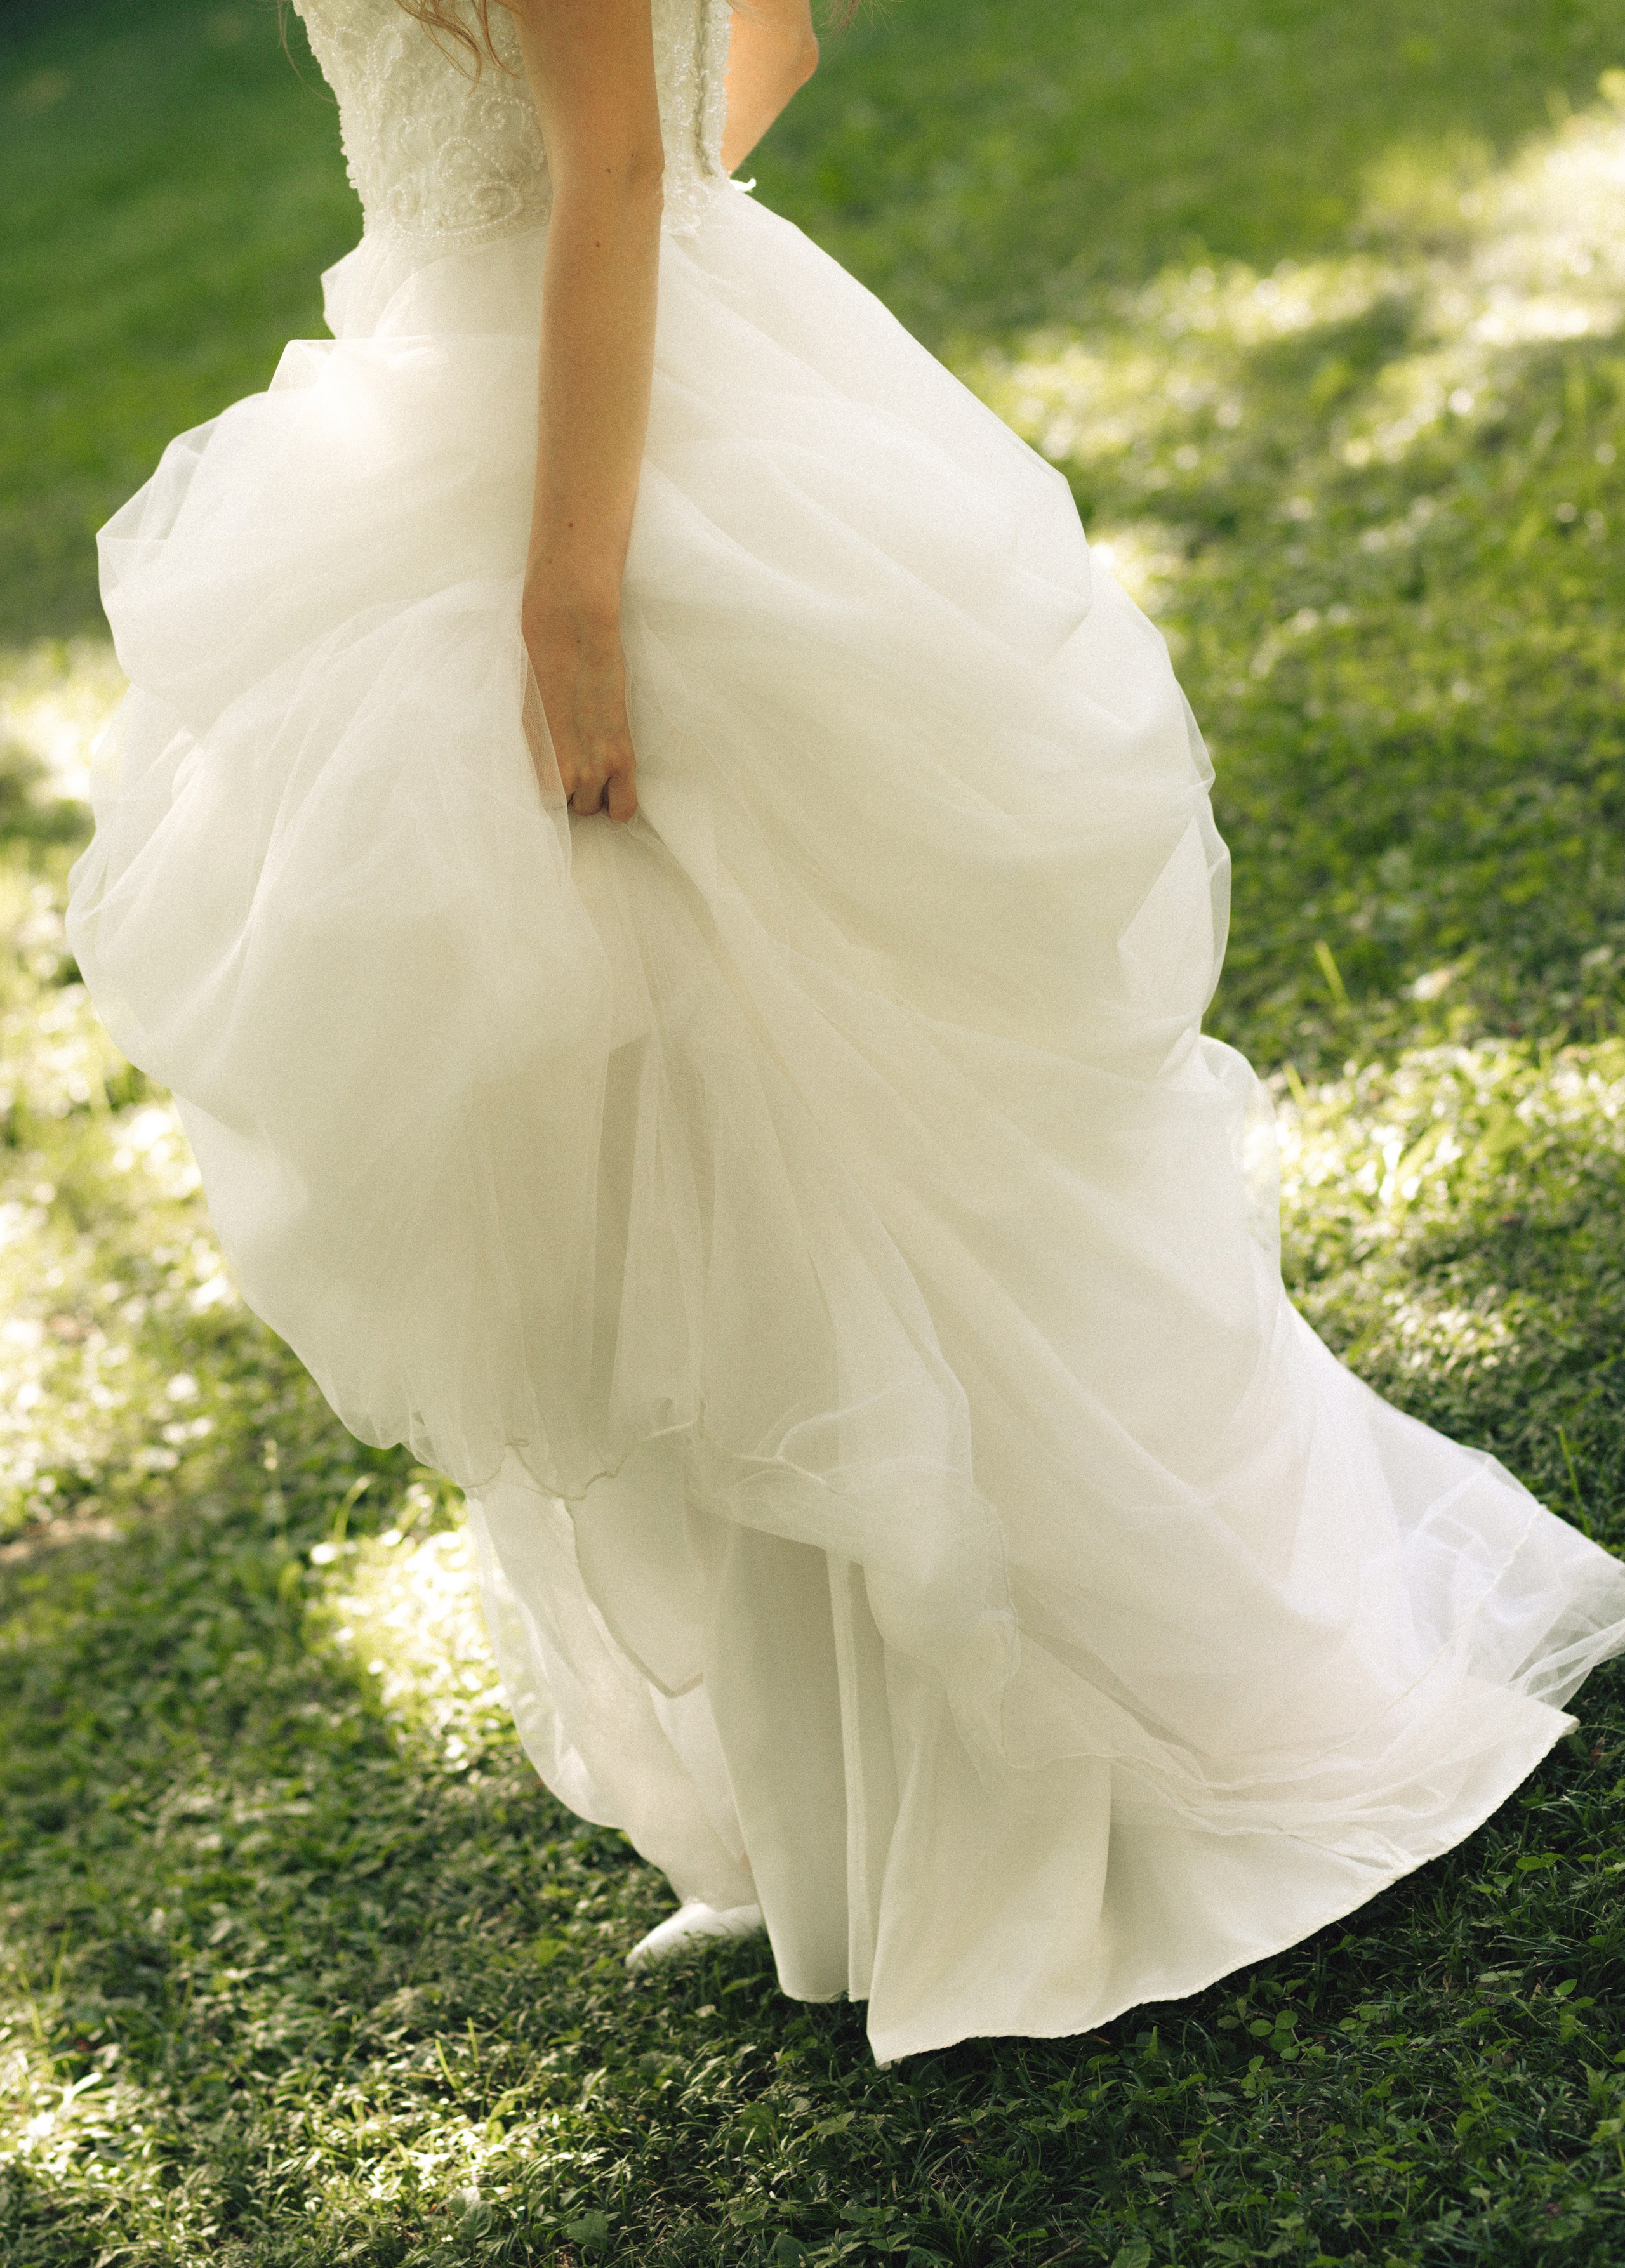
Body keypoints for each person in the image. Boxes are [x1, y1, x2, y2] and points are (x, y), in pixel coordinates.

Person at [67, 0, 1625, 2064]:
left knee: (818, 1107)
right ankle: (864, 1827)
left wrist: (570, 590)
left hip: (585, 455)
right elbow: (750, 54)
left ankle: (1087, 1754)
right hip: (537, 386)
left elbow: (619, 158)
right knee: (682, 1137)